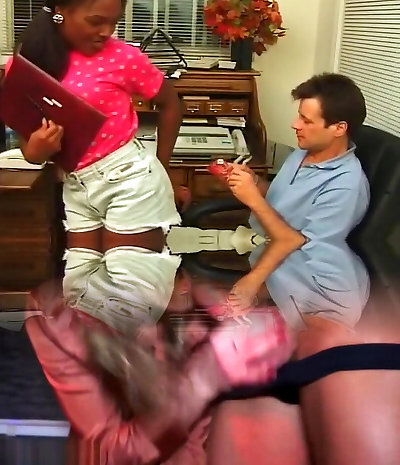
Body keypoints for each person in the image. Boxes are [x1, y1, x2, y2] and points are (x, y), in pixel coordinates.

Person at [8, 0, 184, 257]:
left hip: (130, 180)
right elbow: (30, 151)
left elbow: (171, 104)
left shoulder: (123, 57)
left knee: (130, 274)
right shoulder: (27, 62)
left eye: (114, 22)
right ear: (60, 11)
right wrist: (38, 149)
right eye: (96, 21)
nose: (106, 32)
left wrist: (162, 168)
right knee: (82, 277)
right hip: (75, 187)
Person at [225, 73, 370, 321]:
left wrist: (252, 283)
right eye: (299, 116)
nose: (295, 125)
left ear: (338, 128)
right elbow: (283, 201)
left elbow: (298, 244)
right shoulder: (304, 152)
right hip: (259, 250)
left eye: (306, 120)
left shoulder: (346, 186)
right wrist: (255, 183)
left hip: (284, 254)